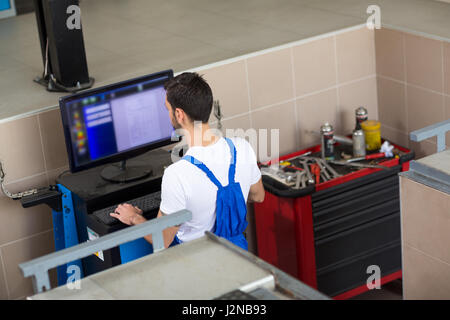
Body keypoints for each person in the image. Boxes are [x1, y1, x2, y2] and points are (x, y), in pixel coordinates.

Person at [110, 72, 265, 250]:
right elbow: (258, 196)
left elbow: (162, 239)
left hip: (197, 265)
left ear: (179, 114)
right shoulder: (242, 148)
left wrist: (133, 218)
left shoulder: (177, 174)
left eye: (167, 109)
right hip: (239, 257)